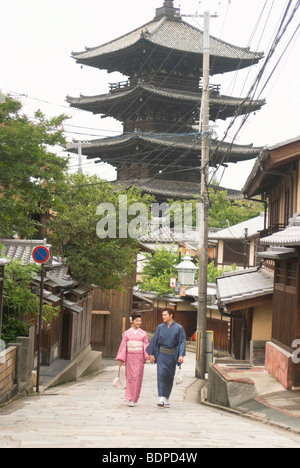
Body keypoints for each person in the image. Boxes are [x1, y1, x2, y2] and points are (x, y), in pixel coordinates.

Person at [146, 308, 186, 408]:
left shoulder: (179, 328)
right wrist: (151, 355)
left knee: (169, 376)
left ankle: (167, 398)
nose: (163, 317)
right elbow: (154, 340)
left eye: (165, 315)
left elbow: (182, 342)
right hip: (161, 355)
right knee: (161, 374)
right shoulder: (160, 327)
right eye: (162, 315)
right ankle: (161, 397)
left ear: (171, 315)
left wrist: (181, 355)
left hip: (172, 355)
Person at [116, 312, 149, 407]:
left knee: (138, 378)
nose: (139, 322)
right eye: (137, 321)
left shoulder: (143, 333)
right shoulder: (127, 333)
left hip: (139, 358)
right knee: (130, 377)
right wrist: (121, 359)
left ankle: (135, 398)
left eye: (140, 321)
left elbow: (146, 345)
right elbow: (123, 347)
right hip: (130, 357)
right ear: (132, 321)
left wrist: (147, 356)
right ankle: (130, 398)